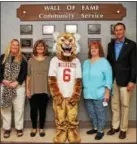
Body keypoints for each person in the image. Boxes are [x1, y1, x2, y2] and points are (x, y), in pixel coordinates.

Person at [107, 23, 136, 139]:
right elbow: (109, 62)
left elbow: (135, 65)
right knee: (114, 105)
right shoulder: (110, 44)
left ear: (124, 30)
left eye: (120, 30)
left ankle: (123, 129)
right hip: (113, 79)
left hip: (126, 80)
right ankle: (115, 126)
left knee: (125, 105)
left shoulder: (132, 45)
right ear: (114, 32)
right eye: (116, 30)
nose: (118, 32)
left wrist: (132, 81)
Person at [82, 41, 112, 140]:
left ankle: (100, 130)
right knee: (91, 112)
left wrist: (107, 93)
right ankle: (95, 127)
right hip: (87, 93)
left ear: (100, 50)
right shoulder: (86, 62)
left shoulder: (104, 62)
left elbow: (108, 78)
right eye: (92, 48)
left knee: (100, 112)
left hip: (100, 93)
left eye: (96, 48)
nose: (93, 50)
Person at [0, 39, 27, 138]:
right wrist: (3, 80)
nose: (15, 46)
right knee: (6, 108)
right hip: (5, 86)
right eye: (13, 44)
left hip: (18, 87)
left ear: (19, 47)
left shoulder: (22, 58)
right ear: (10, 45)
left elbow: (24, 72)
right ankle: (7, 129)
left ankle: (19, 128)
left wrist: (17, 82)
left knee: (19, 108)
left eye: (17, 45)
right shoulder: (3, 57)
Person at [26, 40, 50, 137]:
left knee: (43, 110)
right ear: (35, 48)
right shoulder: (30, 60)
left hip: (45, 89)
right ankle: (34, 128)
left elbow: (52, 76)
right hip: (33, 89)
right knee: (33, 110)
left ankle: (41, 128)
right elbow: (28, 76)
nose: (40, 48)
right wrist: (27, 89)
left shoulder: (49, 60)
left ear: (45, 48)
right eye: (38, 46)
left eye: (42, 46)